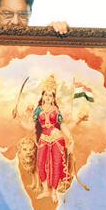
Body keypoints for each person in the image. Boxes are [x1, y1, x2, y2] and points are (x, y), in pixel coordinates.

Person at [32, 75, 73, 203]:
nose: (48, 98)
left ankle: (54, 191)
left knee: (56, 164)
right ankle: (46, 190)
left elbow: (62, 125)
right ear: (42, 96)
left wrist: (70, 137)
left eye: (51, 95)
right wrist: (17, 118)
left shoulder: (56, 110)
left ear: (54, 98)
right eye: (46, 95)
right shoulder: (38, 110)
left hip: (57, 138)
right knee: (40, 163)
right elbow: (30, 125)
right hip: (44, 138)